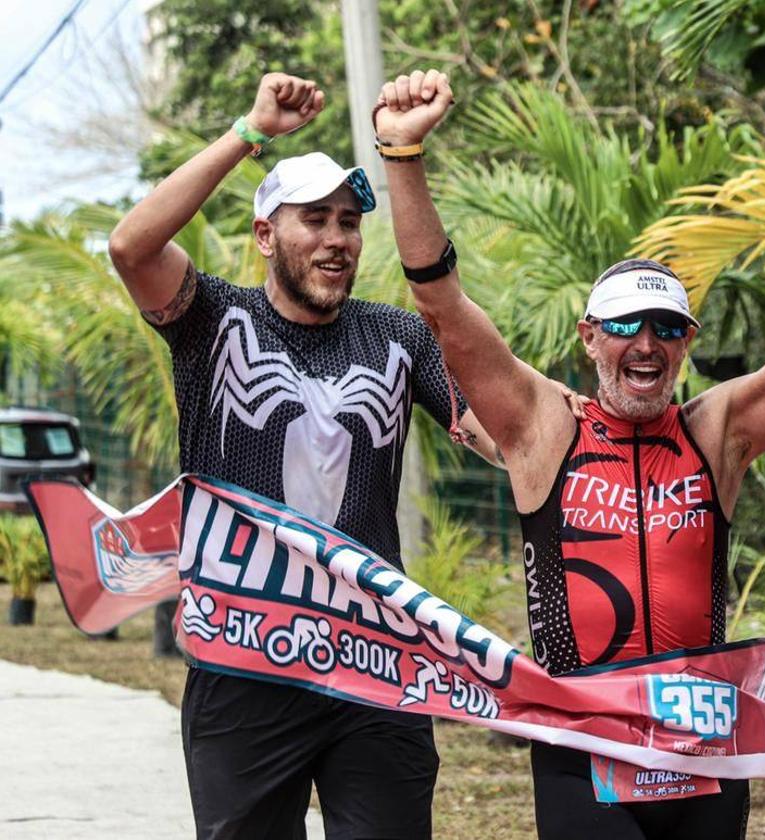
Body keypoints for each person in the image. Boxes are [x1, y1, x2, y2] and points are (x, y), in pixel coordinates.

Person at [372, 68, 765, 839]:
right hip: (583, 738)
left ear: (687, 343)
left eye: (666, 328)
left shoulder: (716, 430)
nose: (645, 345)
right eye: (625, 327)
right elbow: (440, 302)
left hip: (703, 738)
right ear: (590, 337)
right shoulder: (542, 425)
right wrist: (402, 154)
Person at [107, 72, 506, 839]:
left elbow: (493, 434)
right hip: (245, 655)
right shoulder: (214, 322)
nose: (336, 239)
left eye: (350, 222)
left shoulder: (399, 336)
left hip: (374, 656)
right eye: (314, 220)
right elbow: (132, 246)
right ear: (265, 235)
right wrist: (250, 132)